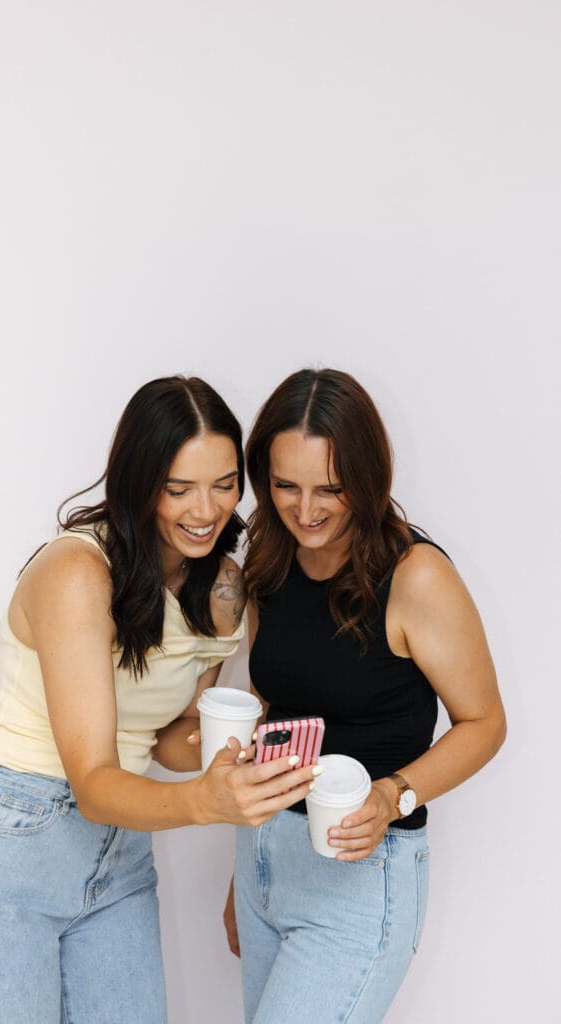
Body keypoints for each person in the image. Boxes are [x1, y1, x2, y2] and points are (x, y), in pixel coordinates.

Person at [0, 375, 319, 1024]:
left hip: (122, 845)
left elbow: (168, 739)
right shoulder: (76, 574)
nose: (206, 509)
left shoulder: (221, 589)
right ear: (138, 483)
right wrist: (206, 801)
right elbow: (90, 781)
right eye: (178, 488)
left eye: (224, 484)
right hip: (15, 840)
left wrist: (223, 753)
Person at [224, 368, 507, 1023]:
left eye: (331, 487)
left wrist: (392, 794)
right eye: (284, 486)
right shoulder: (268, 556)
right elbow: (276, 710)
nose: (305, 510)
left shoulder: (416, 577)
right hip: (265, 857)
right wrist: (245, 874)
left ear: (368, 477)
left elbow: (484, 722)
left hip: (359, 872)